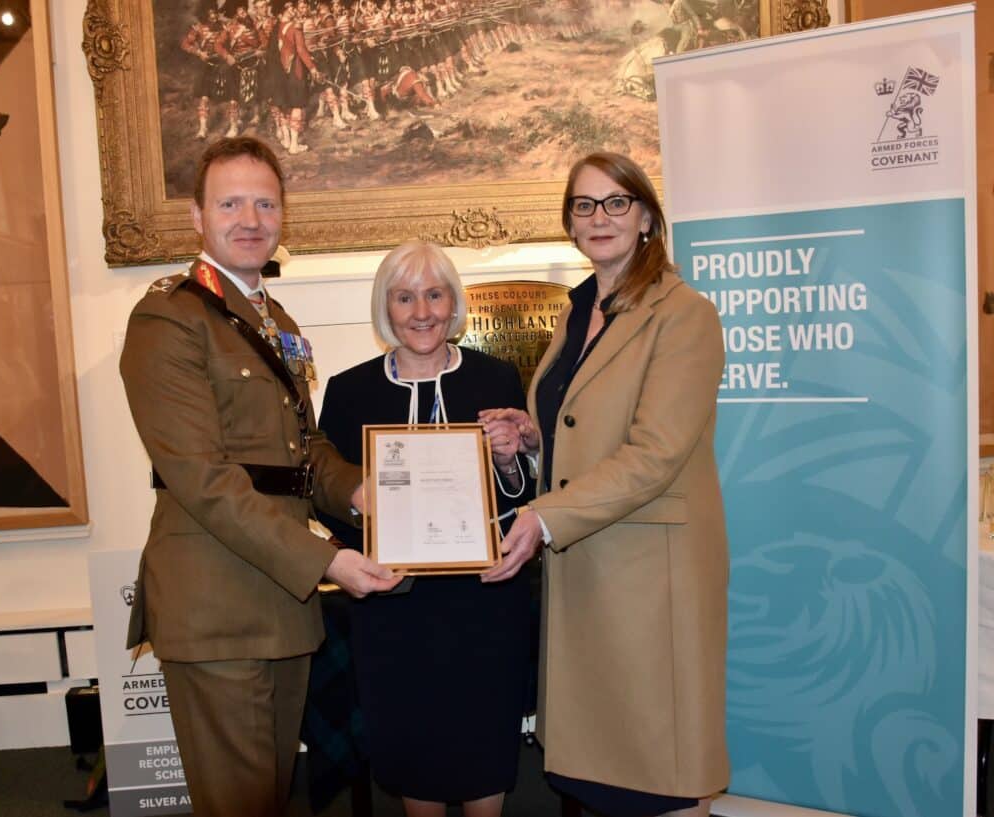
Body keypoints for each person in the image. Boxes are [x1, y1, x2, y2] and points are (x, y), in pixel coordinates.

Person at [119, 136, 400, 817]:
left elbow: (307, 451)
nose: (250, 218)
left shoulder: (276, 322)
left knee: (268, 797)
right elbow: (204, 478)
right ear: (197, 217)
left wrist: (365, 492)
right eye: (230, 202)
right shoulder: (168, 316)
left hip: (281, 603)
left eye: (265, 202)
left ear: (283, 214)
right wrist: (329, 555)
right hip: (215, 601)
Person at [480, 151, 729, 817]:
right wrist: (530, 438)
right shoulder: (579, 312)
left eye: (617, 201)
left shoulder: (685, 315)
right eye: (584, 205)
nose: (600, 217)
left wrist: (540, 516)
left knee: (662, 776)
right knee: (599, 780)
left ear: (646, 214)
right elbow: (580, 429)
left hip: (651, 579)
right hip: (587, 570)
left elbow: (655, 452)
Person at [316, 240, 535, 817]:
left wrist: (510, 459)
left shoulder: (496, 378)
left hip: (484, 601)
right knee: (413, 749)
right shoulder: (348, 391)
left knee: (484, 744)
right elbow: (327, 501)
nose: (421, 311)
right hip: (395, 606)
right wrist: (370, 511)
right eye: (405, 296)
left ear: (453, 302)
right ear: (384, 307)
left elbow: (525, 495)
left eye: (435, 294)